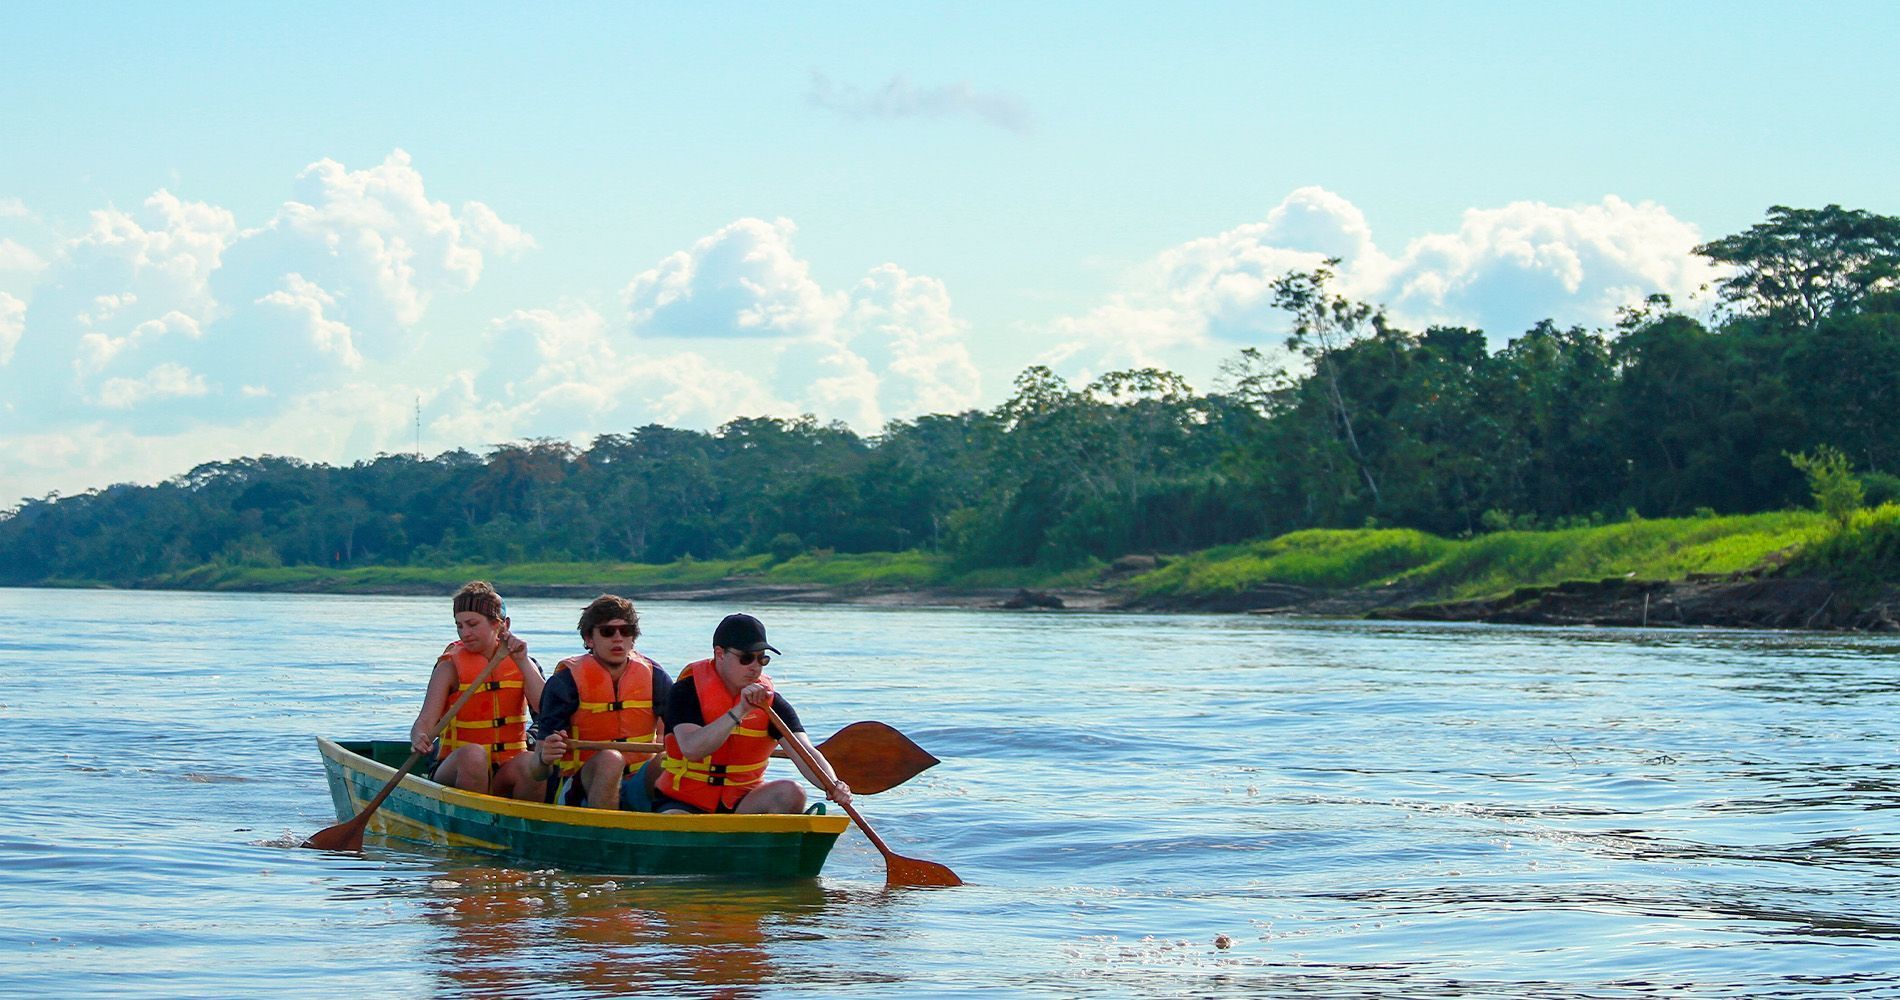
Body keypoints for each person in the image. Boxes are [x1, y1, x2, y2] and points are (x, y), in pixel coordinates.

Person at [653, 612, 852, 814]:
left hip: (742, 800)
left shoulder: (772, 702)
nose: (755, 667)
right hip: (685, 800)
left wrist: (833, 784)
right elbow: (692, 749)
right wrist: (739, 711)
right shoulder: (686, 691)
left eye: (762, 659)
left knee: (792, 792)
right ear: (720, 654)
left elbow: (805, 752)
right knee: (676, 818)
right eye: (746, 658)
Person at [518, 594, 672, 810]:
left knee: (668, 759)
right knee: (611, 760)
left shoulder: (656, 677)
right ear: (589, 639)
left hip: (636, 782)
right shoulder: (565, 683)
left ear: (632, 638)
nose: (618, 638)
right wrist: (544, 758)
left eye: (625, 631)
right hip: (580, 790)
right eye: (608, 632)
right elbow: (537, 771)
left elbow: (683, 736)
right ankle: (604, 834)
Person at [408, 581, 547, 796]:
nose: (465, 633)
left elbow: (547, 711)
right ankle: (474, 822)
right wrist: (418, 736)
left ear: (501, 625)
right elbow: (425, 722)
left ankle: (525, 826)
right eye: (459, 625)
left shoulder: (524, 663)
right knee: (473, 755)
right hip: (454, 766)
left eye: (472, 624)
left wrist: (522, 661)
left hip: (506, 766)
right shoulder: (449, 667)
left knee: (533, 763)